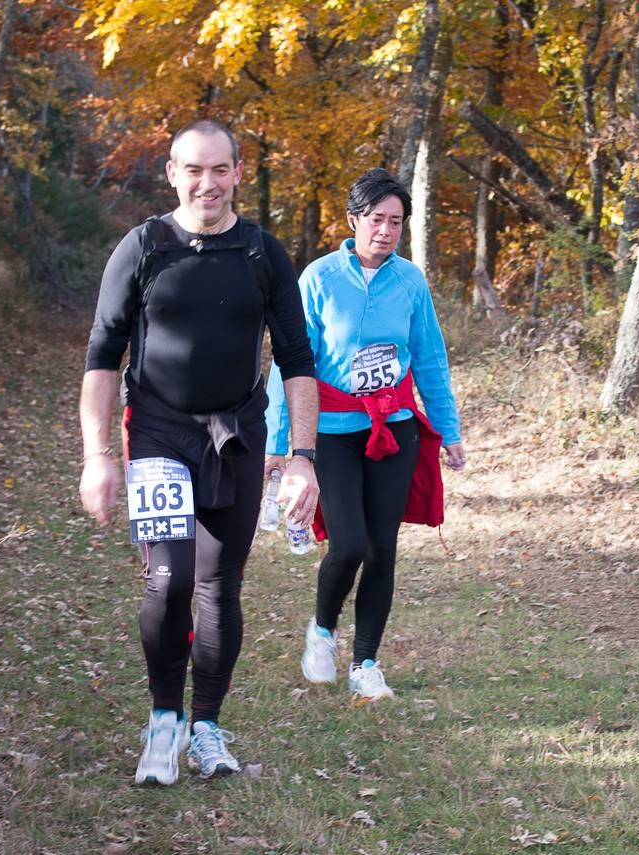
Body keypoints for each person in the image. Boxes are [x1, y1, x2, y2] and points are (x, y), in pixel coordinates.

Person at [79, 120, 320, 785]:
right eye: (194, 170)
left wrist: (303, 456)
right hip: (157, 430)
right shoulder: (144, 247)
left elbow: (299, 360)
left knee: (219, 586)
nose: (207, 184)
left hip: (236, 434)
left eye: (220, 170)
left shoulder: (262, 254)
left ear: (239, 172)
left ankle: (207, 725)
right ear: (172, 173)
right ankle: (164, 721)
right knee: (169, 580)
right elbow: (102, 356)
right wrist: (97, 455)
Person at [264, 167, 466, 702]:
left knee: (382, 550)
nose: (386, 230)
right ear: (354, 219)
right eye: (376, 218)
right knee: (348, 544)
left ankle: (367, 662)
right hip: (331, 429)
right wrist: (276, 443)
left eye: (396, 221)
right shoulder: (318, 279)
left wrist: (448, 430)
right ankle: (323, 630)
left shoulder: (410, 281)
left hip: (394, 430)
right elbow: (291, 364)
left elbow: (429, 358)